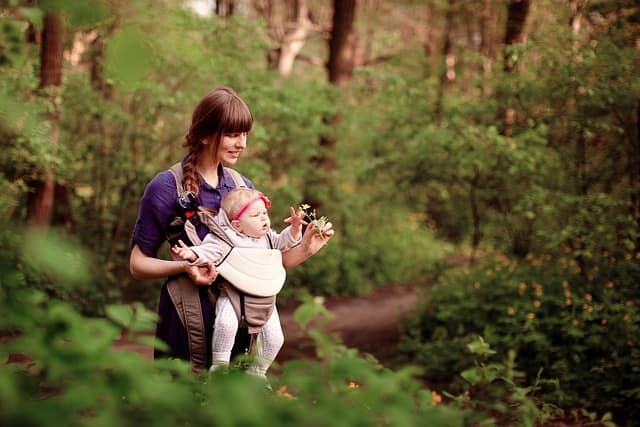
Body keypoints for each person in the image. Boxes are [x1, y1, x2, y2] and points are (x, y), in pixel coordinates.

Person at [129, 86, 334, 369]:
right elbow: (137, 264)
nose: (242, 144)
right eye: (232, 134)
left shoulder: (242, 186)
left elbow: (264, 259)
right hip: (185, 320)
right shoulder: (165, 187)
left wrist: (307, 247)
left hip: (239, 321)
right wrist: (184, 267)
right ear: (203, 135)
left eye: (245, 134)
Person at [171, 187, 306, 377]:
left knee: (276, 338)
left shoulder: (267, 238)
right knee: (226, 325)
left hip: (265, 296)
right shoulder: (225, 237)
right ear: (237, 225)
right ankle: (219, 367)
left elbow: (283, 243)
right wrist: (191, 253)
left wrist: (294, 229)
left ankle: (258, 373)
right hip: (234, 294)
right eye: (256, 215)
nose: (263, 218)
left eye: (264, 213)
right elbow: (209, 251)